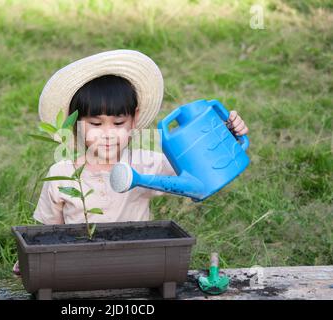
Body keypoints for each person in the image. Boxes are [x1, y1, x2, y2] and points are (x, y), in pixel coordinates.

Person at [13, 50, 249, 275]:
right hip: (77, 268)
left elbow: (200, 171)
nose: (108, 134)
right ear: (76, 124)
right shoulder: (62, 173)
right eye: (95, 124)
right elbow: (47, 232)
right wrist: (32, 261)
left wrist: (227, 133)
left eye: (118, 123)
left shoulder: (148, 164)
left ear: (134, 119)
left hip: (136, 265)